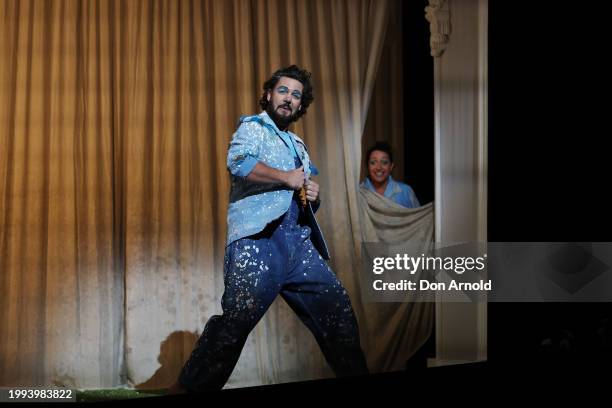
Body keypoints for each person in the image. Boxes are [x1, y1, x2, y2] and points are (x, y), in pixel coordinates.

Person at [168, 65, 368, 393]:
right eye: (283, 91)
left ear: (301, 106)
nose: (289, 99)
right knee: (235, 324)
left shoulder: (298, 145)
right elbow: (238, 162)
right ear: (268, 95)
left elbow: (301, 196)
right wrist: (286, 177)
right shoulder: (253, 126)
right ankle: (186, 389)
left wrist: (312, 196)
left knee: (337, 306)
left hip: (297, 244)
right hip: (258, 242)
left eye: (296, 95)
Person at [360, 141, 420, 208]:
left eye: (384, 162)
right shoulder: (359, 193)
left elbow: (418, 216)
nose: (379, 167)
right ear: (368, 166)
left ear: (391, 166)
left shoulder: (406, 191)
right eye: (373, 162)